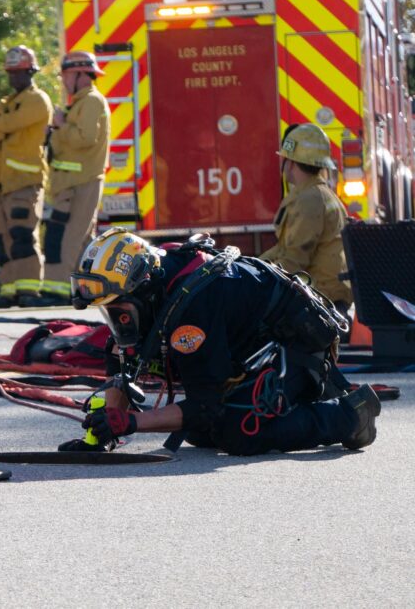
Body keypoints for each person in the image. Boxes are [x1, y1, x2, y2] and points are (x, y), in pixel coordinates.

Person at [66, 228, 380, 455]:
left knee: (237, 433)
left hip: (296, 349)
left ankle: (350, 415)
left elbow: (204, 405)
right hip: (249, 347)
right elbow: (121, 357)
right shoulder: (155, 285)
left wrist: (132, 422)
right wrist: (107, 431)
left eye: (118, 309)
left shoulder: (191, 308)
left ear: (143, 290)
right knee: (202, 433)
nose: (117, 320)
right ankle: (293, 407)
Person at [0, 45, 53, 308]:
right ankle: (8, 290)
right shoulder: (5, 104)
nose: (14, 78)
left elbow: (5, 125)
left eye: (19, 73)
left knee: (22, 237)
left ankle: (29, 290)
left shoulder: (37, 100)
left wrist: (0, 126)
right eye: (11, 73)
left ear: (30, 72)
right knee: (1, 242)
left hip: (24, 183)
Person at [259, 123, 353, 323]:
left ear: (291, 162)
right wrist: (252, 265)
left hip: (319, 300)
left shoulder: (310, 199)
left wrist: (257, 280)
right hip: (322, 296)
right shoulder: (316, 193)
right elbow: (284, 249)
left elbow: (295, 259)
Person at [40, 51, 110, 305]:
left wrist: (61, 124)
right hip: (72, 183)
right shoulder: (81, 103)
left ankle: (57, 292)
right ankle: (87, 290)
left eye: (66, 76)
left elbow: (85, 138)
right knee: (82, 242)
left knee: (65, 238)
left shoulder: (91, 102)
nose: (63, 81)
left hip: (80, 183)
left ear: (81, 75)